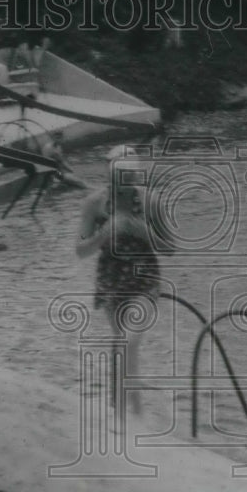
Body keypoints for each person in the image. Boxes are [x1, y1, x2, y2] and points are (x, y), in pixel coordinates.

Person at [75, 145, 161, 417]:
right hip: (111, 279)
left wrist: (138, 228)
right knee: (125, 345)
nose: (124, 185)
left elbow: (170, 245)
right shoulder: (95, 204)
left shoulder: (149, 201)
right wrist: (103, 235)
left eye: (130, 179)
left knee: (127, 340)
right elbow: (80, 250)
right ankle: (131, 412)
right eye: (118, 179)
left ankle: (123, 411)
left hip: (144, 278)